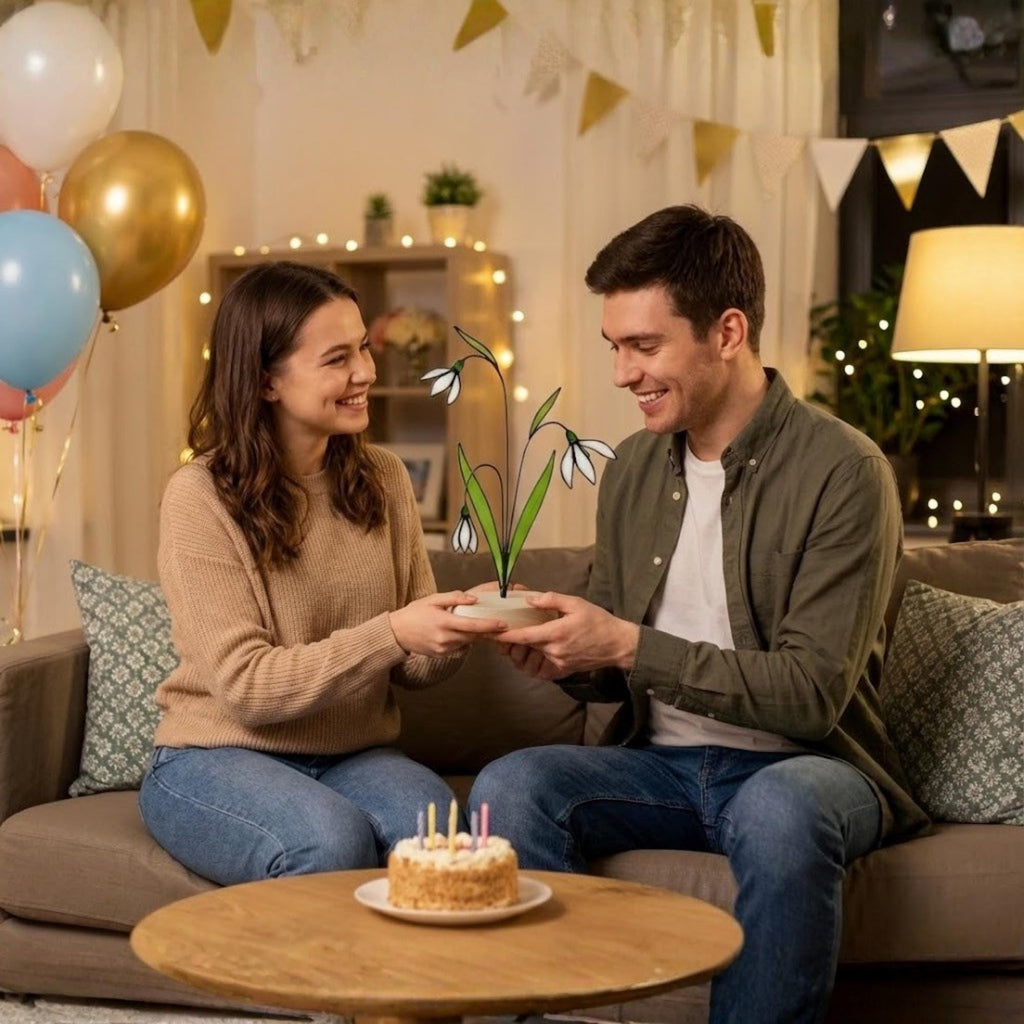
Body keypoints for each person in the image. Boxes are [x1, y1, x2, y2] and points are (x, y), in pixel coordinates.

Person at [470, 206, 929, 1024]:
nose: (621, 373)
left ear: (727, 331)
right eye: (615, 346)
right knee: (512, 786)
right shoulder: (634, 470)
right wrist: (572, 659)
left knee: (779, 811)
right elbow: (621, 669)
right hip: (662, 770)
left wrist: (628, 643)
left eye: (644, 346)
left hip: (810, 768)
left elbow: (812, 694)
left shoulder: (844, 471)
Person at [139, 261, 506, 885]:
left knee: (443, 838)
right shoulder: (199, 496)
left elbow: (413, 669)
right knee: (327, 841)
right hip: (215, 754)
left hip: (354, 754)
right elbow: (248, 689)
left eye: (363, 347)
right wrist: (392, 631)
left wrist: (463, 620)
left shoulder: (384, 477)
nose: (366, 371)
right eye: (337, 358)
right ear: (265, 381)